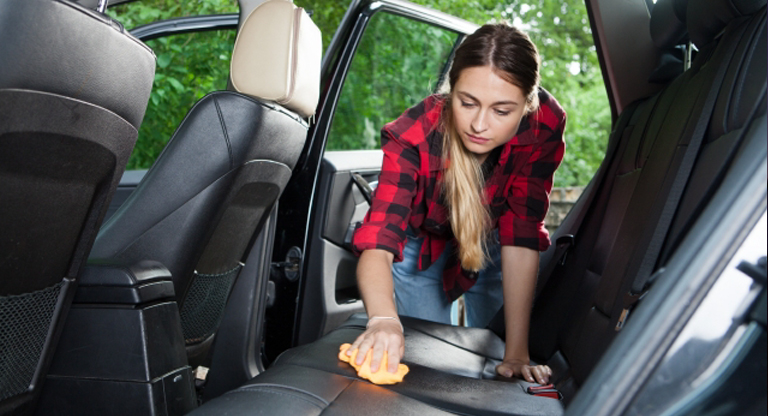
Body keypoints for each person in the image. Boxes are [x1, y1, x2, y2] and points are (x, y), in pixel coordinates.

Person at [347, 23, 566, 385]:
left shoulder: (543, 124)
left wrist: (517, 353)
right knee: (430, 366)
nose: (479, 124)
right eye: (467, 103)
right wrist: (384, 321)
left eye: (502, 111)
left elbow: (522, 230)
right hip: (424, 247)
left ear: (526, 106)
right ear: (451, 92)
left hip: (497, 245)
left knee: (497, 359)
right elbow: (380, 236)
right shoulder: (413, 135)